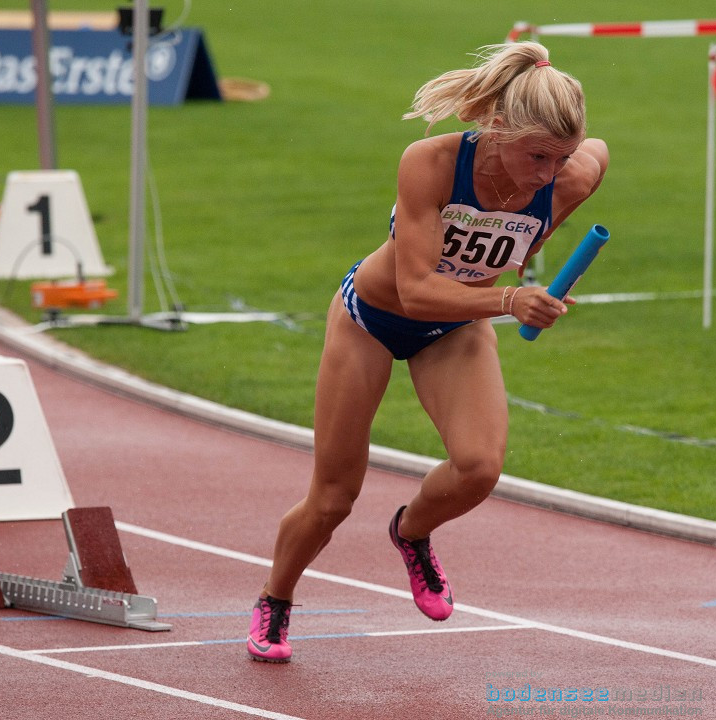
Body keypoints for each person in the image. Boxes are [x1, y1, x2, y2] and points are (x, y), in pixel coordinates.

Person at [247, 41, 609, 663]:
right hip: (373, 319)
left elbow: (597, 151)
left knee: (479, 469)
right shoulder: (432, 162)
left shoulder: (573, 174)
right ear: (496, 128)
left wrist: (545, 290)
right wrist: (510, 301)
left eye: (562, 156)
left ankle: (411, 531)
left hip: (456, 327)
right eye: (536, 155)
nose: (548, 174)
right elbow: (415, 292)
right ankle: (275, 598)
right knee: (333, 497)